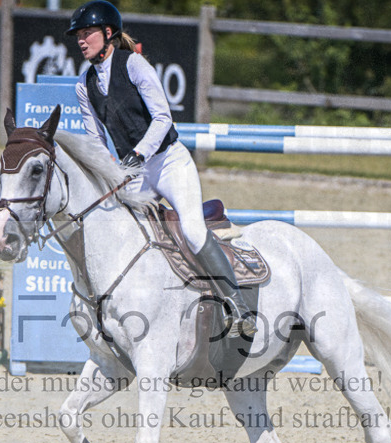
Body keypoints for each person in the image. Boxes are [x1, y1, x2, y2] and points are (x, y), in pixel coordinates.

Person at [67, 0, 257, 338]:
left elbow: (163, 118)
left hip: (168, 162)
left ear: (108, 33)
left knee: (194, 232)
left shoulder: (134, 64)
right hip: (135, 172)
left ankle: (238, 306)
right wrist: (107, 172)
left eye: (88, 33)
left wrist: (138, 153)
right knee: (119, 230)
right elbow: (95, 140)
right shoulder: (84, 86)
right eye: (78, 35)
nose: (81, 40)